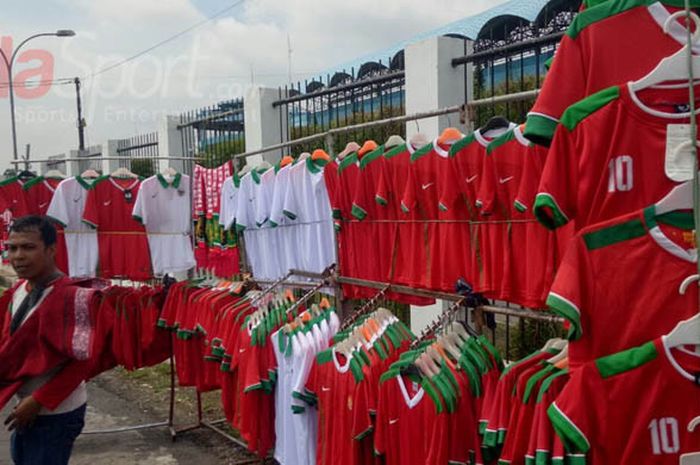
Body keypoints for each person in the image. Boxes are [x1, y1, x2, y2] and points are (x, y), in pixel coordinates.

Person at [0, 215, 98, 465]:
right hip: (25, 407)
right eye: (12, 247)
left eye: (29, 247)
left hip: (58, 411)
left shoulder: (74, 296)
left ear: (51, 250)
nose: (18, 256)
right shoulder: (19, 290)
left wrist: (39, 400)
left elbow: (83, 361)